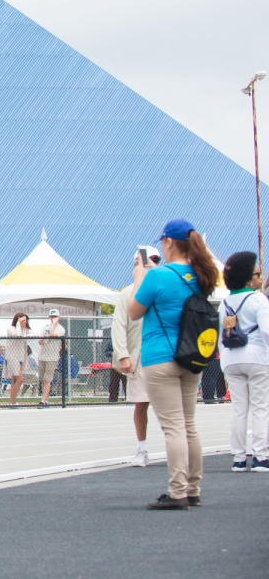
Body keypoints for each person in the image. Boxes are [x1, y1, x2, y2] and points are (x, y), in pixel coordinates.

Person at [128, 218, 219, 510]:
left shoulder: (158, 277)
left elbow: (134, 311)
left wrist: (140, 277)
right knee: (189, 425)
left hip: (160, 357)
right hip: (190, 356)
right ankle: (193, 488)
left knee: (173, 428)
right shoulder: (200, 276)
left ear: (168, 243)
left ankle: (177, 491)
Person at [217, 251, 269, 472]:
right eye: (258, 273)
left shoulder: (224, 303)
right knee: (260, 408)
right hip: (257, 358)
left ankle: (238, 458)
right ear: (249, 278)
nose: (260, 277)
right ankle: (260, 456)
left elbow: (220, 334)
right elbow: (266, 331)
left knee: (239, 409)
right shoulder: (258, 299)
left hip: (231, 359)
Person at [113, 247, 160, 466]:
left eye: (156, 261)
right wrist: (123, 355)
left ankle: (179, 447)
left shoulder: (164, 290)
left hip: (164, 355)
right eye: (142, 262)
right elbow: (119, 325)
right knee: (141, 404)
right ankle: (142, 449)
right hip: (139, 356)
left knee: (171, 406)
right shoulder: (127, 294)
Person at [36, 311, 65, 408]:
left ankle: (43, 400)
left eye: (55, 316)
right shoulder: (44, 327)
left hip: (52, 357)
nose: (53, 318)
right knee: (43, 379)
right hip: (42, 356)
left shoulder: (61, 329)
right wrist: (44, 337)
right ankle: (46, 399)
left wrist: (54, 324)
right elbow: (40, 342)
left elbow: (53, 333)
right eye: (52, 316)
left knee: (47, 379)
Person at [3, 313, 31, 406]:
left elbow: (32, 333)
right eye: (23, 320)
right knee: (20, 378)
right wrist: (19, 324)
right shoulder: (11, 329)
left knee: (15, 379)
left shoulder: (24, 330)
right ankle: (13, 401)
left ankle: (12, 401)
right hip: (12, 356)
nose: (25, 322)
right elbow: (17, 335)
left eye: (26, 320)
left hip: (20, 357)